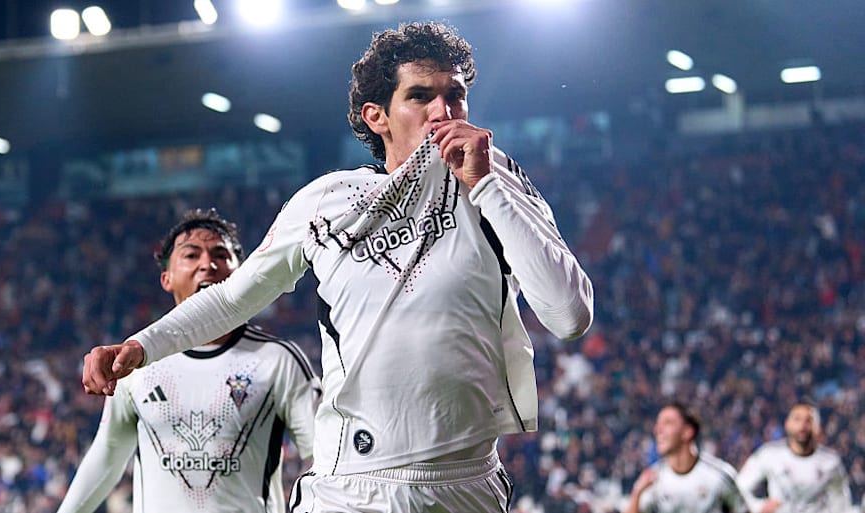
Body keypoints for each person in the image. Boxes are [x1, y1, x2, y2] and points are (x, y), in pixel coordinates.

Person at [81, 22, 593, 512]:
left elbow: (569, 316)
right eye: (420, 96)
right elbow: (235, 297)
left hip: (464, 485)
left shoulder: (495, 180)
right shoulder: (328, 201)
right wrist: (142, 345)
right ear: (377, 116)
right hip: (351, 487)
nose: (443, 110)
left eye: (454, 94)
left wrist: (484, 185)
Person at [59, 209, 320, 513]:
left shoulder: (278, 360)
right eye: (191, 255)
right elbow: (108, 454)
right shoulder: (136, 366)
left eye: (220, 255)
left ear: (242, 274)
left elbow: (326, 455)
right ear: (166, 279)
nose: (207, 264)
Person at [625, 402, 748, 513]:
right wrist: (637, 494)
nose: (658, 430)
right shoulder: (651, 481)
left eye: (668, 423)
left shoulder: (719, 476)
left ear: (687, 432)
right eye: (658, 424)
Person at [736, 402, 854, 513]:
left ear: (817, 427)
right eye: (797, 419)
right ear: (787, 424)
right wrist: (759, 506)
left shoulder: (831, 462)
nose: (802, 426)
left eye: (809, 420)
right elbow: (739, 487)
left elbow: (841, 502)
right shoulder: (769, 454)